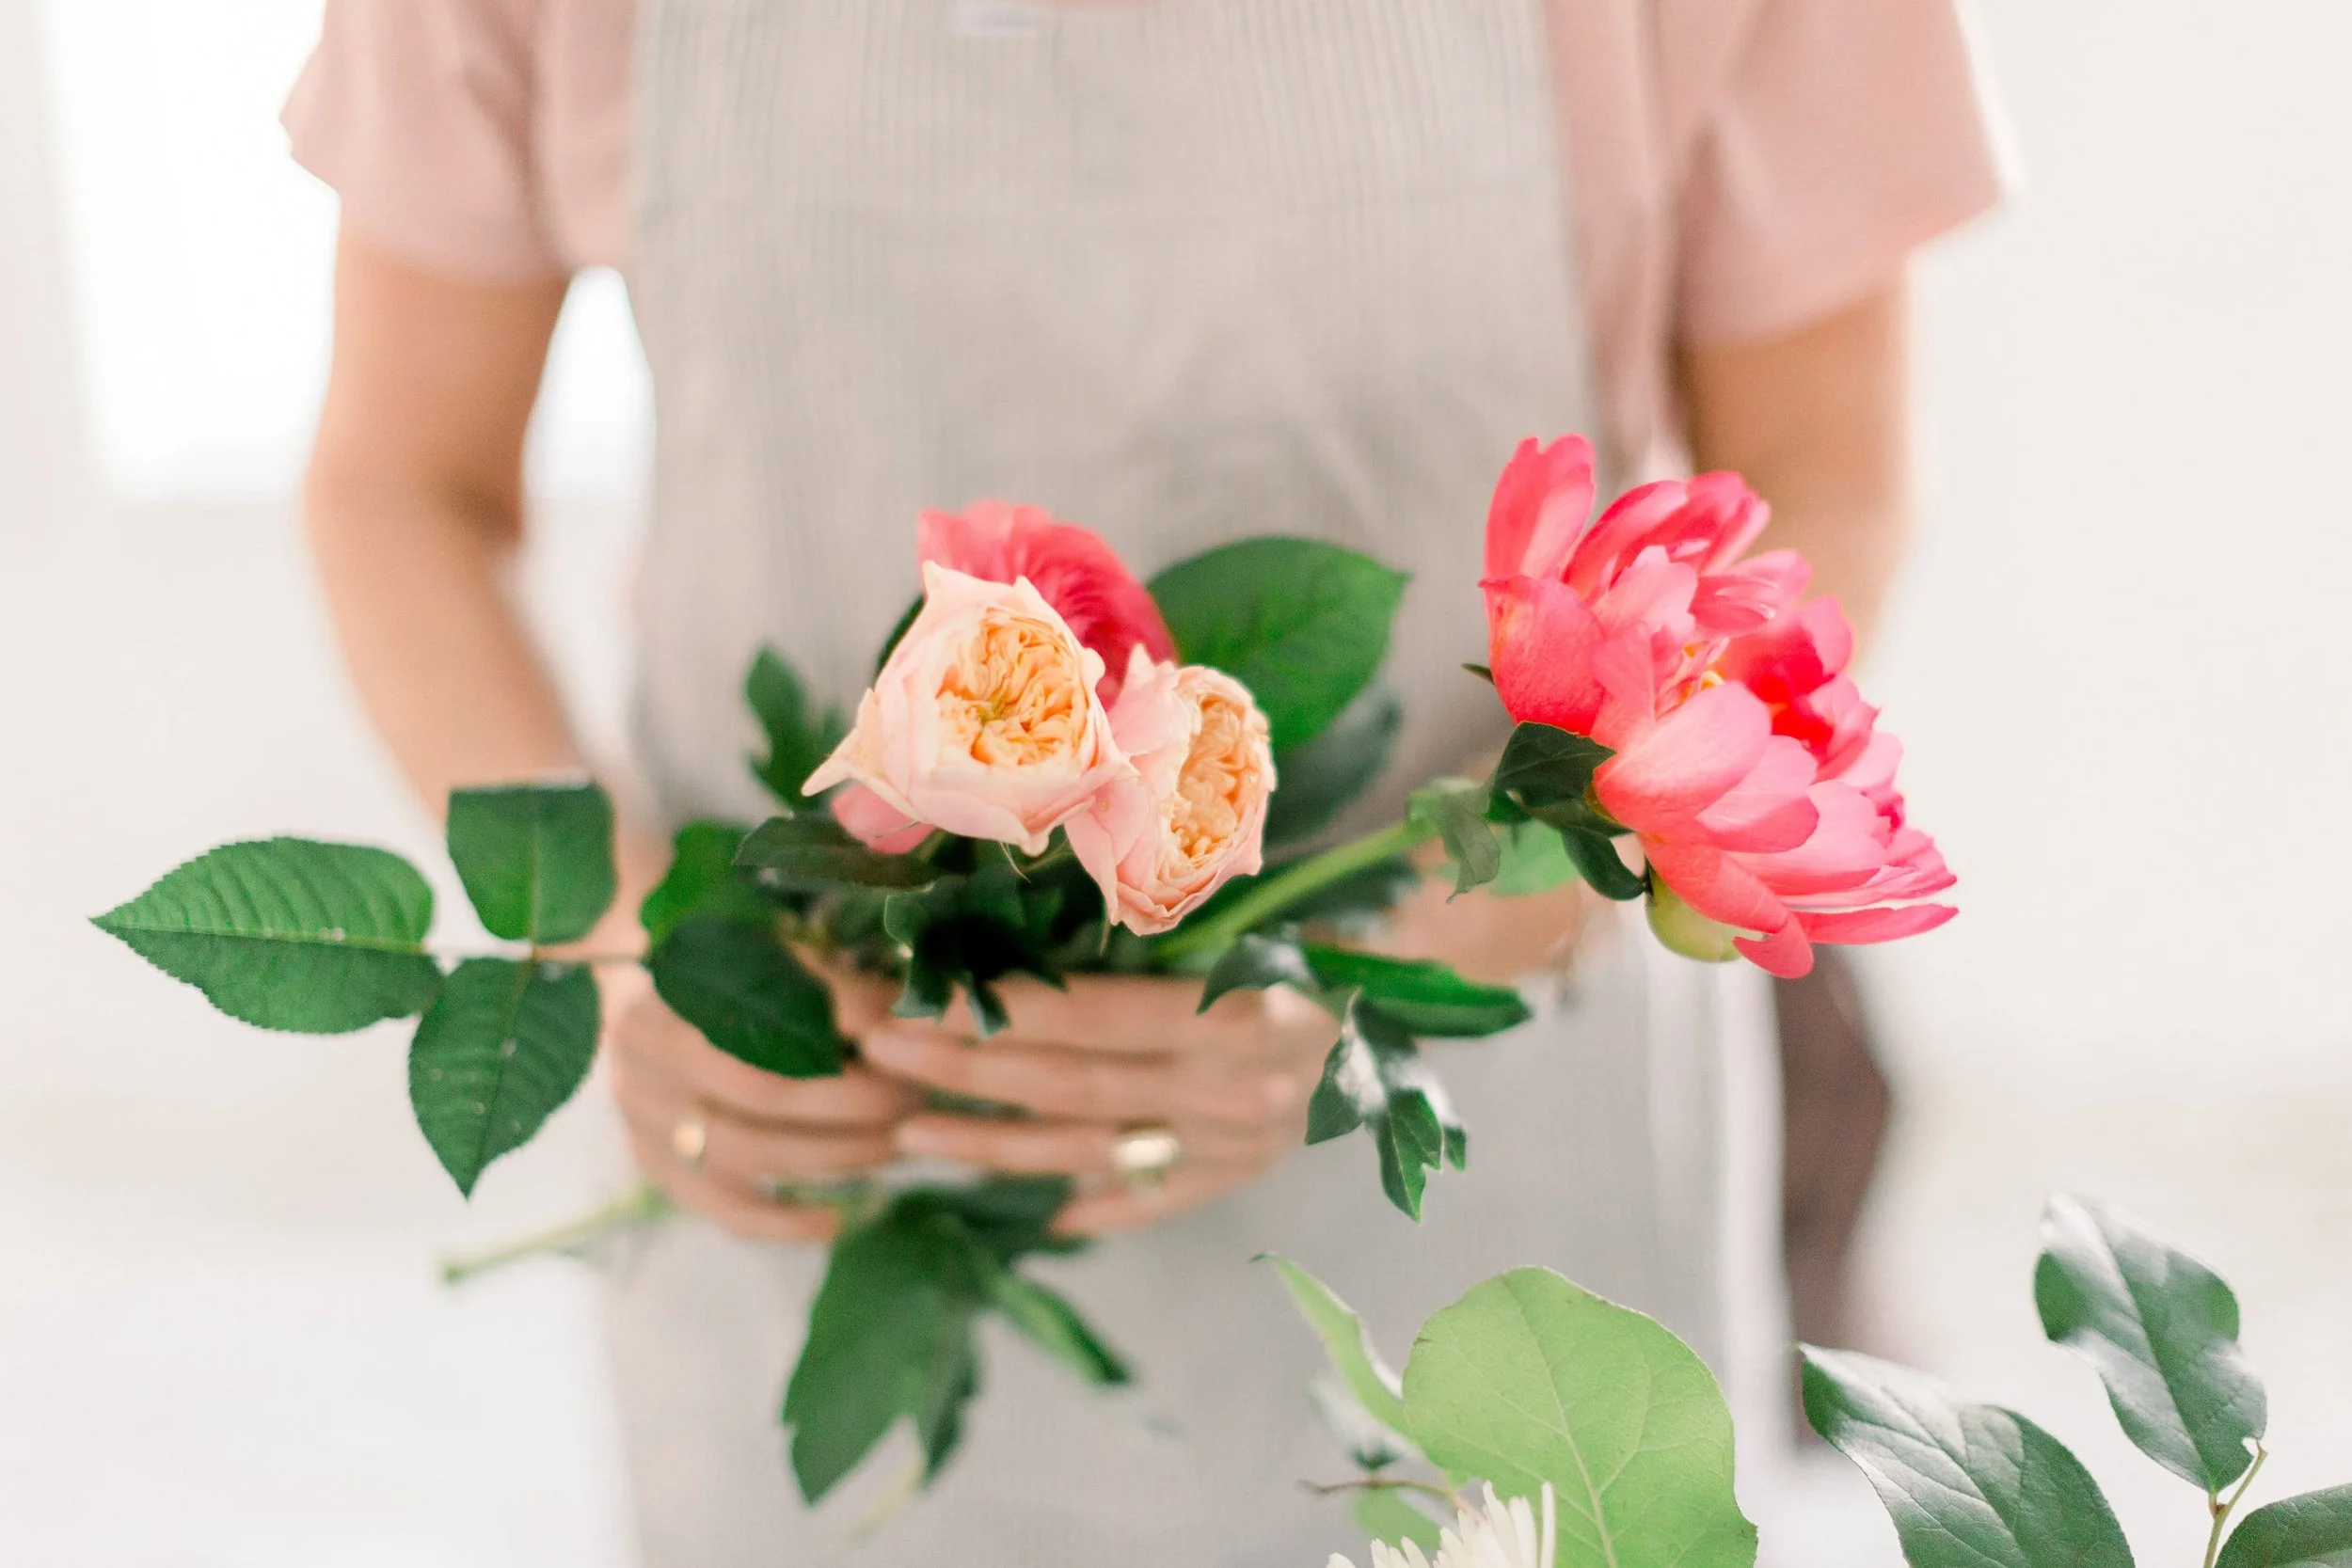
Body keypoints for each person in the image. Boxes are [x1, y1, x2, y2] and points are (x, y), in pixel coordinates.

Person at [284, 1, 2003, 1560]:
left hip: (1484, 1131)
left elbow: (1819, 483)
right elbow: (401, 483)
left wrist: (1387, 965)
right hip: (818, 1133)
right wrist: (631, 944)